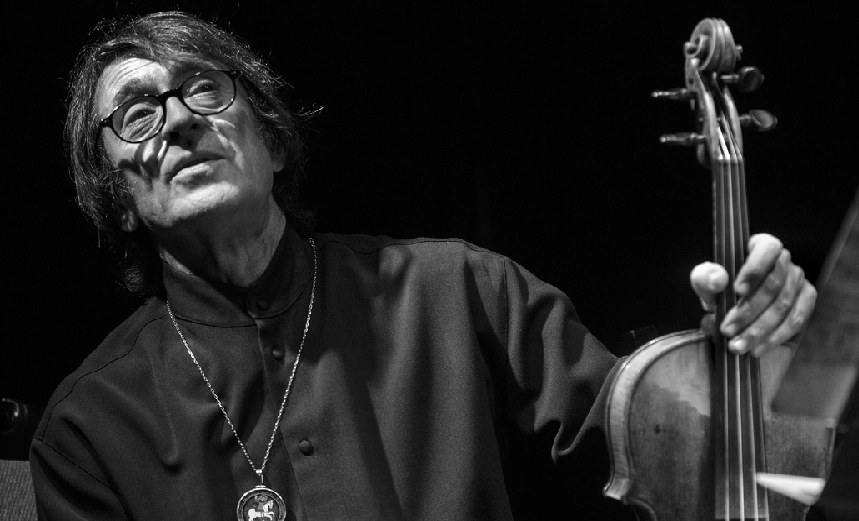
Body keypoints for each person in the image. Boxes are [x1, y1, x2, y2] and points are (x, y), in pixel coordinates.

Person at [29, 11, 816, 521]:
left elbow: (683, 455)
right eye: (137, 112)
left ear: (272, 143)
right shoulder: (88, 427)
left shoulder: (462, 287)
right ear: (116, 200)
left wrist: (767, 358)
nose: (175, 118)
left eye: (204, 89)